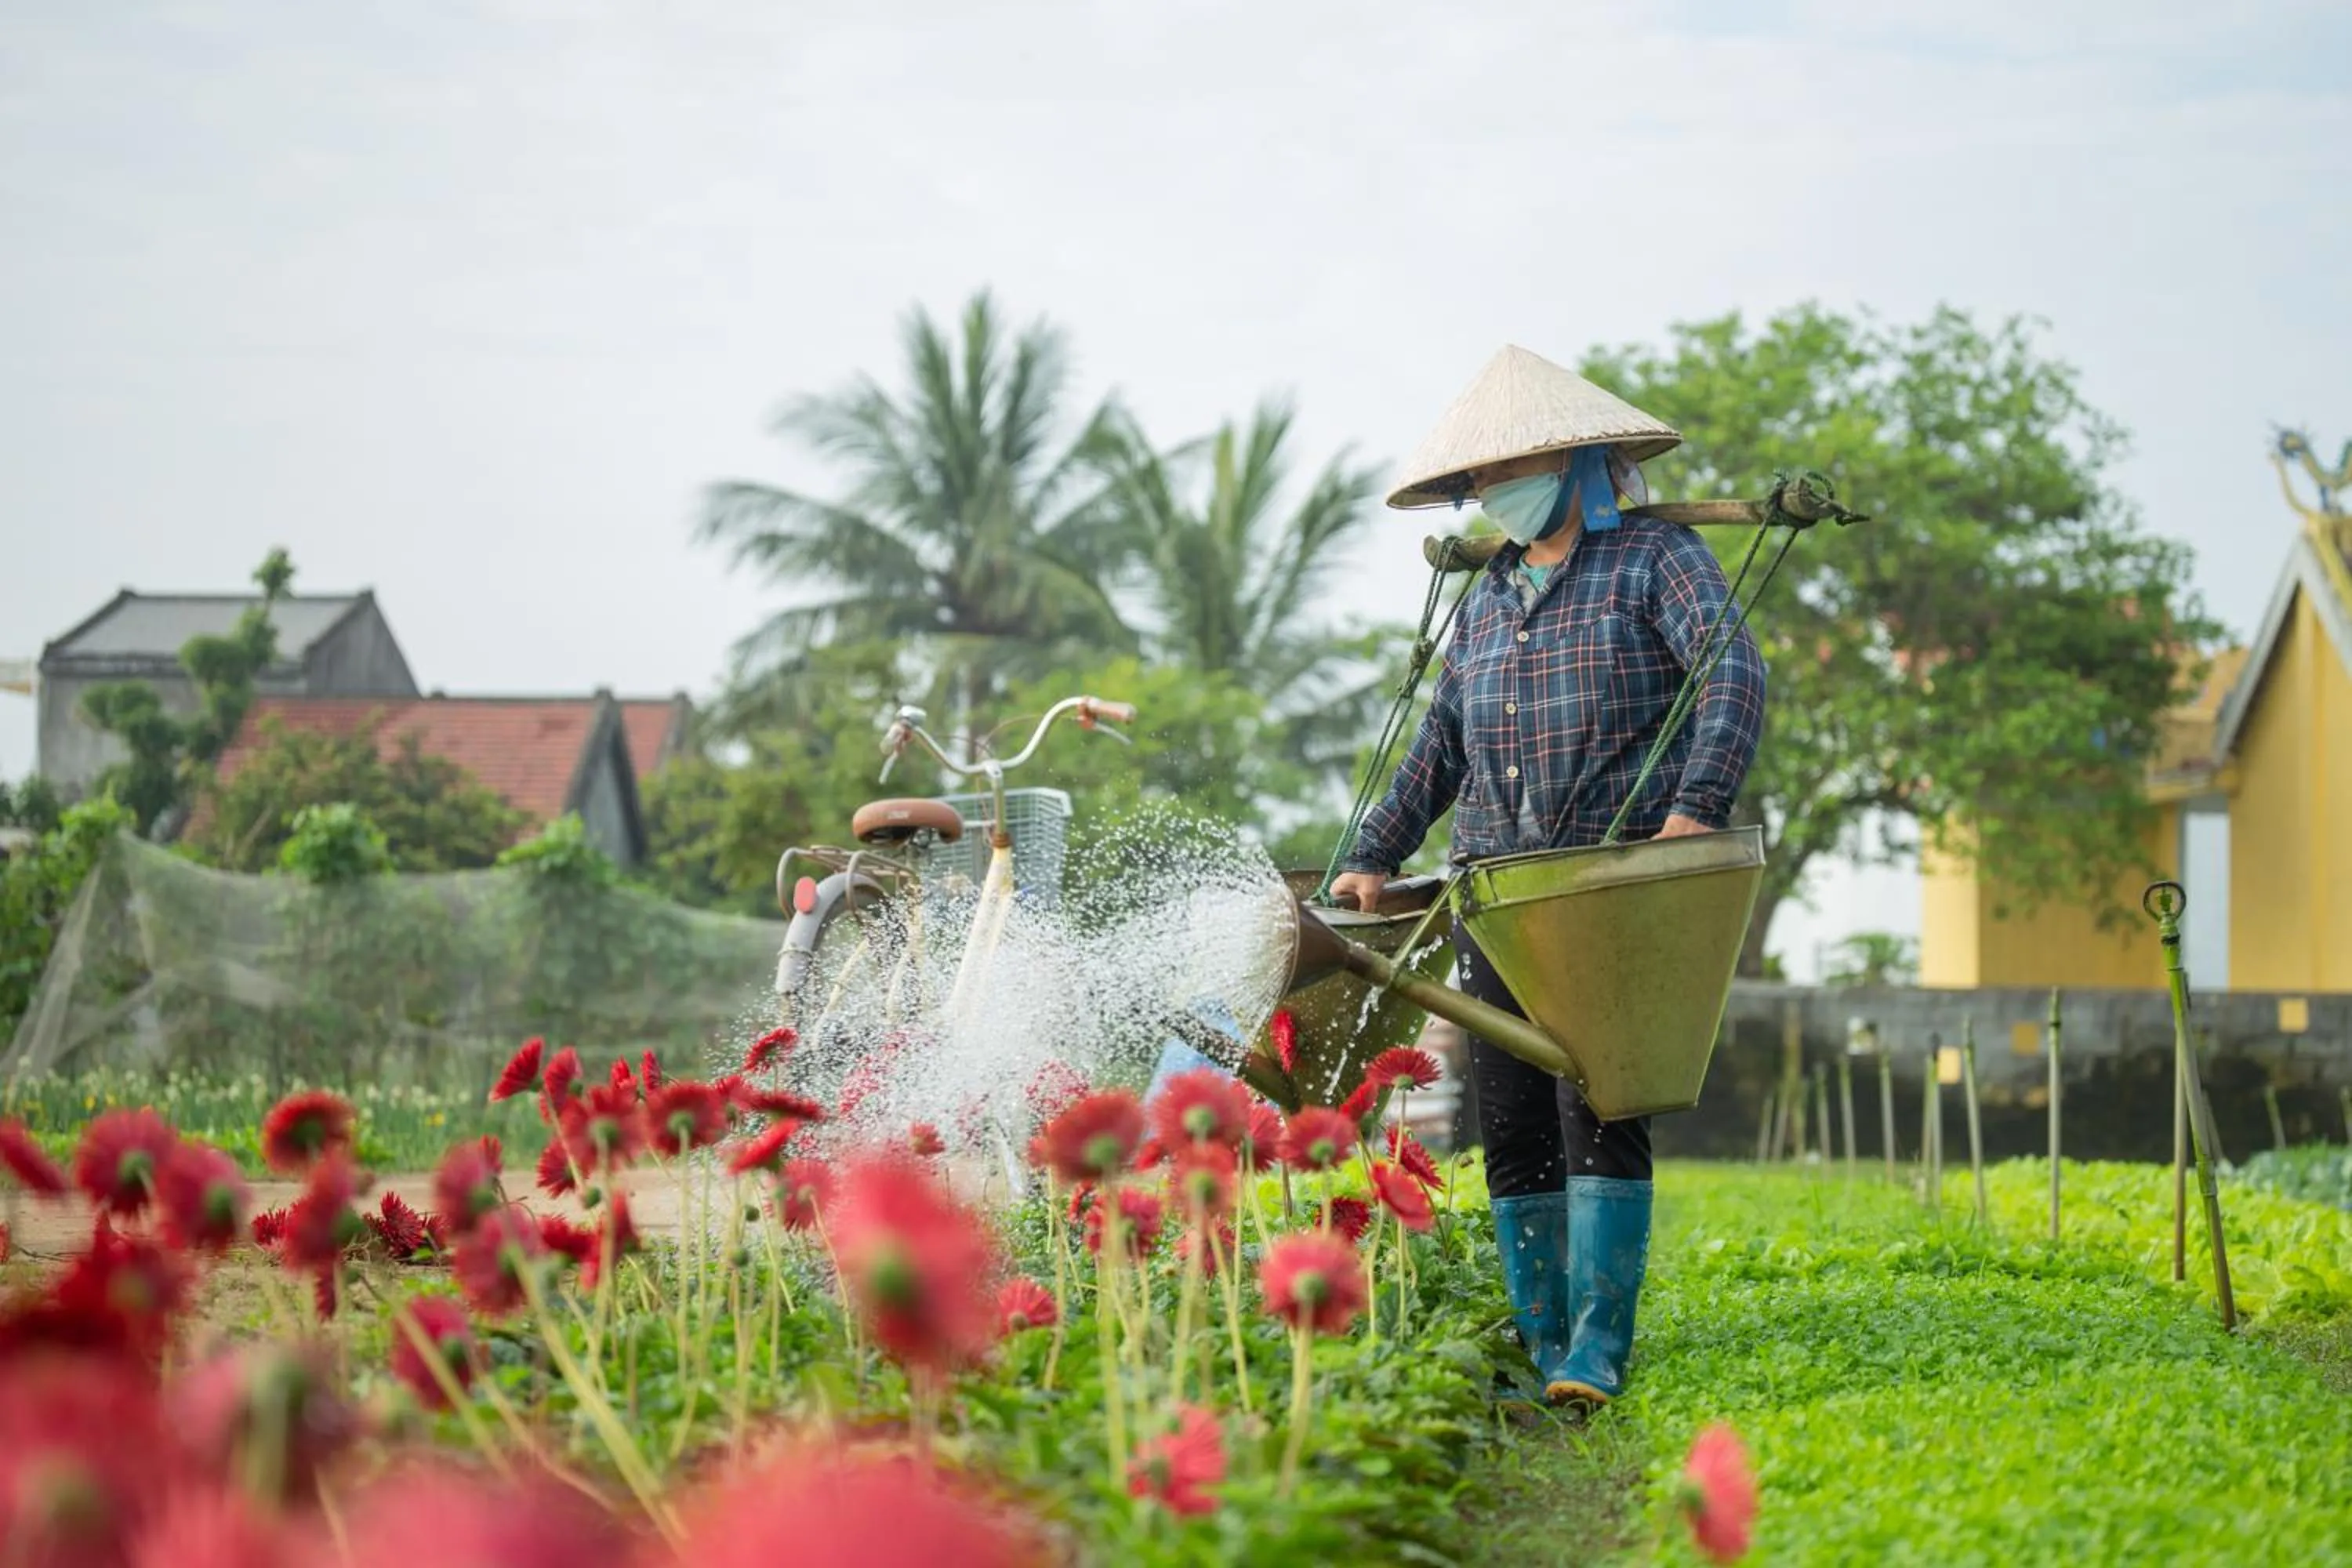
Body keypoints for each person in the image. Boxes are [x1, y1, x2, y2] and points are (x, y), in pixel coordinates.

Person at [1329, 344, 1765, 1407]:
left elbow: (1733, 675)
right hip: (1495, 889)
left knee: (1599, 1101)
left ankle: (1598, 1347)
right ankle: (1541, 1348)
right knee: (1510, 1110)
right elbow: (1439, 744)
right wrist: (1371, 856)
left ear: (1576, 464)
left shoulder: (1655, 561)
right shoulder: (1485, 599)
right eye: (1475, 482)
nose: (1488, 495)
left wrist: (1691, 812)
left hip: (1607, 887)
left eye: (1502, 474)